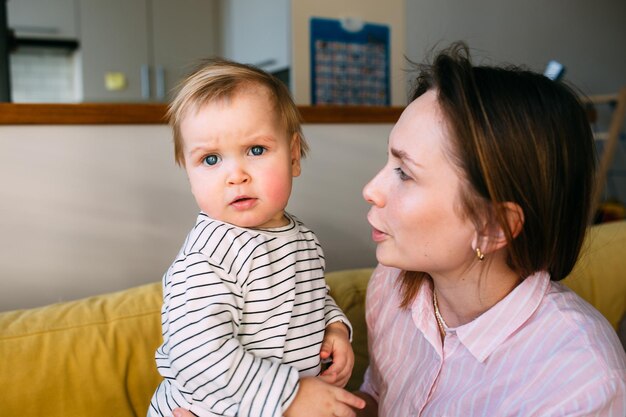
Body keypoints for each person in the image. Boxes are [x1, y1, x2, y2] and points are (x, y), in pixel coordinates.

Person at [354, 43, 626, 415]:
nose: (370, 190)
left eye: (404, 172)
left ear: (495, 227)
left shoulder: (581, 385)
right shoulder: (390, 285)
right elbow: (380, 395)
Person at [148, 58, 365, 417]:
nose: (236, 175)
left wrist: (336, 328)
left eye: (256, 150)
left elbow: (311, 298)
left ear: (294, 156)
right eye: (211, 159)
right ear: (188, 172)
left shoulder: (302, 239)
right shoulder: (207, 258)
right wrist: (291, 396)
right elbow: (200, 356)